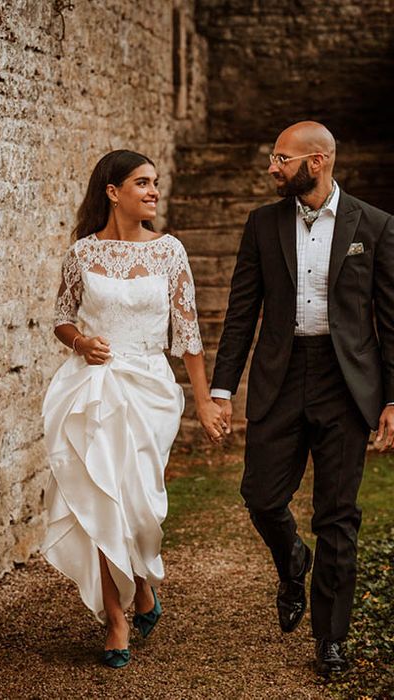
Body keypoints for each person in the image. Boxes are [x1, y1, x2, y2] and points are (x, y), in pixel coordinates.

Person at [210, 121, 394, 676]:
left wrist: (393, 398)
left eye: (281, 159)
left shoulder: (377, 226)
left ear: (316, 162)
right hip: (280, 375)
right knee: (261, 496)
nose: (272, 167)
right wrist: (222, 389)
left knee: (337, 516)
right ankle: (293, 561)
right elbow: (242, 311)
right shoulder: (262, 224)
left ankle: (330, 639)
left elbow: (391, 318)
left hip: (346, 384)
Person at [41, 150, 225, 669]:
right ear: (111, 190)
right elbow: (61, 318)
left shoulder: (169, 252)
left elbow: (187, 335)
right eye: (141, 183)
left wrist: (204, 401)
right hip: (93, 386)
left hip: (149, 386)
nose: (152, 191)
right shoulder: (81, 253)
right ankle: (116, 618)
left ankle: (142, 583)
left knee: (142, 506)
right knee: (102, 495)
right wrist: (81, 343)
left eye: (156, 183)